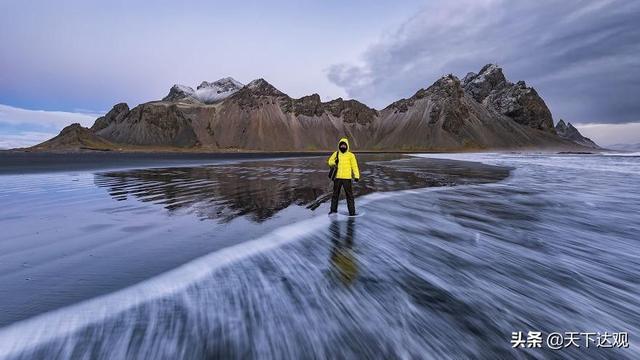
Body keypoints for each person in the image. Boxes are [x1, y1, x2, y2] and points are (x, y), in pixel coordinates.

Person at [327, 137, 360, 216]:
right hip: (337, 178)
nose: (343, 147)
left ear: (347, 146)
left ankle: (352, 212)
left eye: (344, 145)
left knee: (349, 196)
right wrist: (334, 162)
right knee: (335, 195)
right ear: (339, 146)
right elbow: (329, 161)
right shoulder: (336, 153)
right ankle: (333, 210)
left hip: (347, 179)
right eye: (341, 145)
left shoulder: (351, 155)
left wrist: (356, 176)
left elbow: (354, 166)